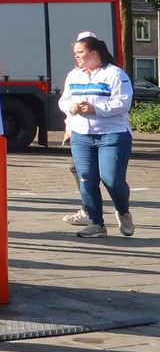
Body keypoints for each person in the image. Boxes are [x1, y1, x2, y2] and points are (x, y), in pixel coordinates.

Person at [57, 34, 135, 239]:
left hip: (112, 134)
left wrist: (95, 109)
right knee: (86, 178)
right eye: (75, 53)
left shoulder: (115, 74)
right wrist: (71, 107)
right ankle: (96, 223)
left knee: (111, 179)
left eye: (80, 52)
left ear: (94, 53)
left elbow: (124, 102)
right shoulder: (74, 75)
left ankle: (123, 211)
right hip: (81, 135)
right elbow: (63, 100)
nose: (76, 57)